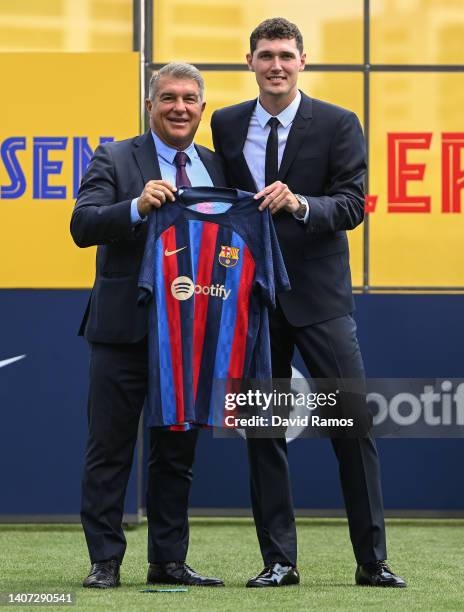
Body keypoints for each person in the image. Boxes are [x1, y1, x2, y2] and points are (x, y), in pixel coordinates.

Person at [211, 17, 406, 588]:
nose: (276, 65)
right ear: (250, 61)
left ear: (302, 61)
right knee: (264, 433)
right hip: (253, 299)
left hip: (321, 299)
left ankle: (372, 563)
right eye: (266, 55)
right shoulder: (224, 124)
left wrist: (299, 204)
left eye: (286, 55)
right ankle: (278, 562)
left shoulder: (340, 123)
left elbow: (351, 206)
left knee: (354, 427)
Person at [71, 62, 226, 589]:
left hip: (189, 336)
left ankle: (168, 561)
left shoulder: (217, 165)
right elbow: (82, 224)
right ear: (149, 105)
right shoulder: (114, 157)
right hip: (123, 331)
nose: (179, 107)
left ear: (202, 109)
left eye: (189, 99)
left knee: (176, 456)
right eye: (168, 98)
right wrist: (135, 206)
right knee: (110, 450)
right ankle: (105, 562)